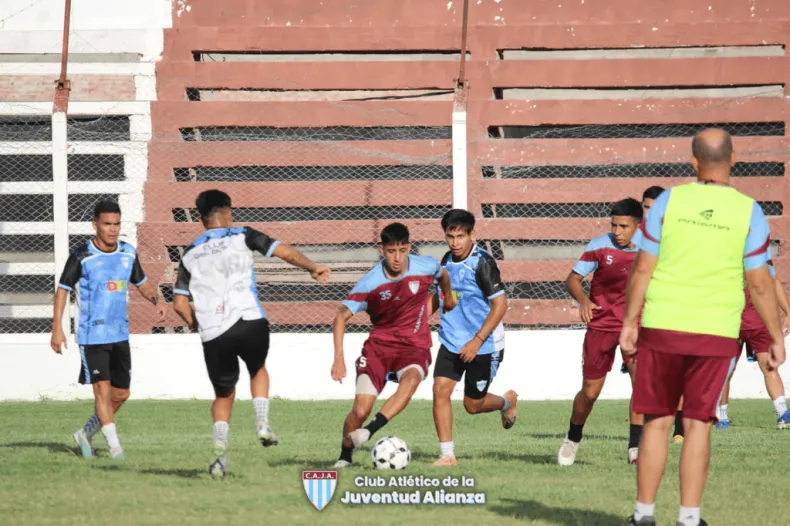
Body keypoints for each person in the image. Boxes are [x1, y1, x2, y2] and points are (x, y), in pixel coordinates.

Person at [621, 128, 785, 526]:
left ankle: (643, 515)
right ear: (734, 158)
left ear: (693, 162)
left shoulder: (668, 201)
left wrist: (629, 322)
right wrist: (775, 336)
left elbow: (643, 268)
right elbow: (759, 282)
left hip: (663, 326)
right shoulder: (749, 211)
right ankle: (689, 519)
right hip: (717, 331)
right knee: (698, 426)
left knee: (657, 422)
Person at [172, 189, 330, 478]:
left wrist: (196, 324)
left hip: (214, 332)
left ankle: (220, 452)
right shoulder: (243, 234)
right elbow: (284, 251)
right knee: (257, 369)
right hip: (250, 321)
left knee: (223, 395)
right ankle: (262, 424)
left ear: (201, 219)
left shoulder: (190, 253)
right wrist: (312, 266)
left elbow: (179, 304)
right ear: (229, 211)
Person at [330, 222, 456, 468]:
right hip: (379, 348)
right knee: (360, 411)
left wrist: (448, 297)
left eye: (402, 250)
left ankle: (370, 430)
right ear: (381, 250)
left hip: (413, 347)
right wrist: (338, 358)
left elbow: (443, 276)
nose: (397, 258)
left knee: (412, 379)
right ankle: (345, 456)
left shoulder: (426, 266)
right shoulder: (370, 283)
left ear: (409, 247)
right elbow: (340, 317)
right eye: (391, 251)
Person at [51, 200, 166, 459]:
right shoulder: (82, 256)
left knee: (121, 393)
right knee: (102, 390)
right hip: (92, 335)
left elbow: (142, 282)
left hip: (120, 334)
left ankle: (85, 433)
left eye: (116, 224)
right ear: (95, 225)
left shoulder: (127, 253)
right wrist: (57, 328)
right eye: (107, 224)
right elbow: (62, 290)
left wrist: (156, 300)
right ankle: (116, 449)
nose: (113, 229)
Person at [557, 198, 644, 467]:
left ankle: (635, 447)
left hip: (635, 326)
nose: (617, 231)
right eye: (613, 225)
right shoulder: (599, 246)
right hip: (601, 325)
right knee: (590, 392)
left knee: (642, 386)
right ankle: (573, 437)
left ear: (637, 226)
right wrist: (584, 301)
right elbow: (572, 279)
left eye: (623, 226)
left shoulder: (650, 248)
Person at [430, 209, 517, 467]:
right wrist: (417, 320)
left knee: (472, 405)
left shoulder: (482, 263)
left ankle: (506, 403)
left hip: (484, 345)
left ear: (472, 235)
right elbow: (440, 294)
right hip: (452, 339)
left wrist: (476, 341)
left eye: (460, 236)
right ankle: (447, 455)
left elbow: (500, 305)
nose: (455, 243)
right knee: (440, 390)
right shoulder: (446, 260)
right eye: (450, 236)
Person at [715, 257, 790, 430]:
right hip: (731, 321)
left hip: (758, 321)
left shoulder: (759, 253)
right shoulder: (724, 253)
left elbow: (774, 281)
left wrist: (788, 311)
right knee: (726, 370)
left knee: (768, 366)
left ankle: (782, 413)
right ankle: (722, 416)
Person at [640, 186, 687, 444]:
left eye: (655, 207)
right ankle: (644, 433)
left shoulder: (675, 237)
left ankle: (679, 428)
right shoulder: (633, 237)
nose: (650, 213)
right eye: (646, 207)